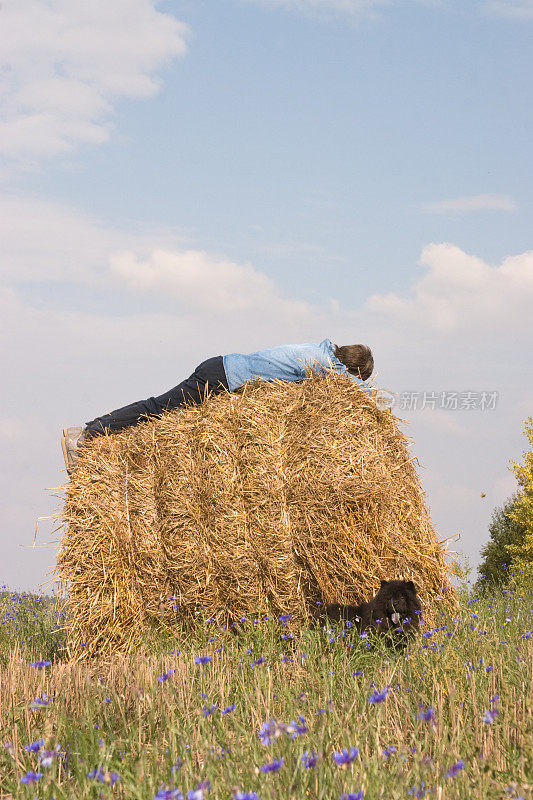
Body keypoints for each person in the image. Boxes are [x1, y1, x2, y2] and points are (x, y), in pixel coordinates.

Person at [61, 338, 374, 472]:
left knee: (166, 422)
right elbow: (348, 389)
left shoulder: (322, 352)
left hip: (225, 374)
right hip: (220, 377)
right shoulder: (321, 362)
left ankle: (103, 442)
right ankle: (92, 433)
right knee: (158, 409)